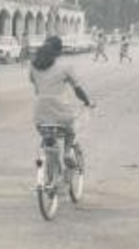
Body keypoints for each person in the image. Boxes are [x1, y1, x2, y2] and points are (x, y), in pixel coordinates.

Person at [28, 35, 93, 187]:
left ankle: (53, 172)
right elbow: (77, 89)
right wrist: (87, 101)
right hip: (60, 111)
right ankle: (68, 153)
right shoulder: (65, 67)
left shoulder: (33, 66)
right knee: (71, 130)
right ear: (59, 51)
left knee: (48, 138)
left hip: (40, 113)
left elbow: (36, 87)